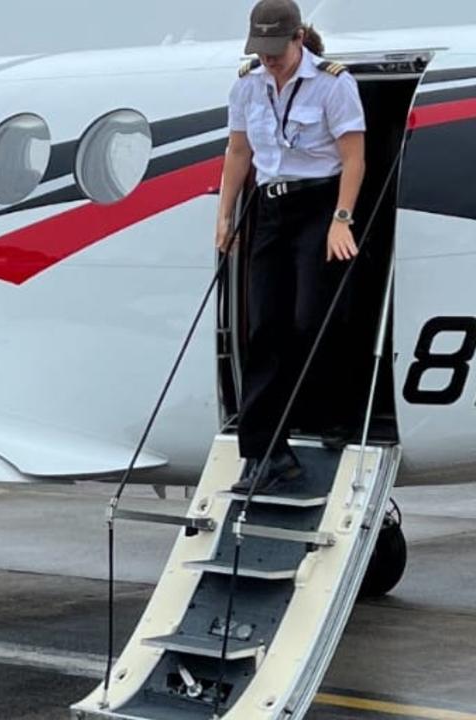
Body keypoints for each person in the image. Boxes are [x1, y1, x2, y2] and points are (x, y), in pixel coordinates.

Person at [215, 0, 366, 494]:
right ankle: (265, 453)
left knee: (310, 318)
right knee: (265, 328)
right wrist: (226, 215)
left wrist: (341, 220)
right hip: (271, 209)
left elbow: (354, 157)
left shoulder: (333, 83)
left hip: (320, 203)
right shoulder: (248, 84)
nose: (269, 61)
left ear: (298, 38)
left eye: (276, 51)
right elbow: (239, 152)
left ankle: (336, 412)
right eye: (261, 52)